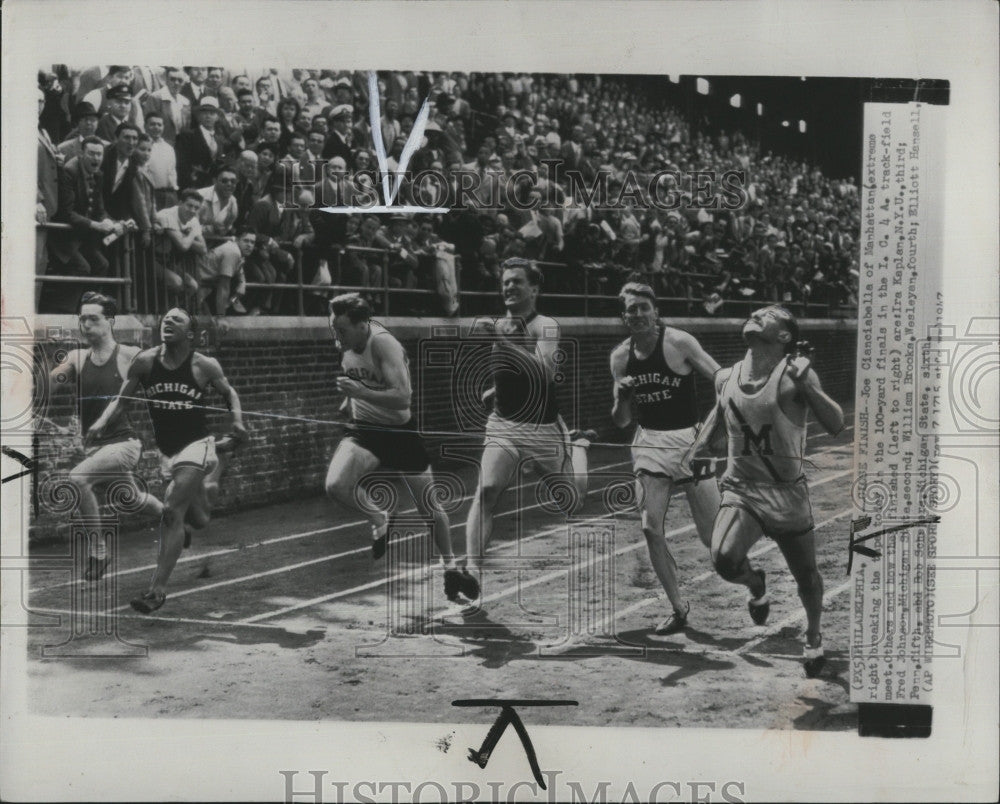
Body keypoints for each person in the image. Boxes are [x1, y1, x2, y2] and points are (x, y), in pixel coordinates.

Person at [684, 305, 844, 677]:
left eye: (766, 314)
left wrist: (807, 385)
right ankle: (756, 583)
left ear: (785, 335)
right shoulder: (726, 377)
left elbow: (836, 423)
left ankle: (814, 635)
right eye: (752, 312)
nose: (754, 314)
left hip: (787, 494)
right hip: (743, 489)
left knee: (807, 577)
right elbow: (720, 416)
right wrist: (699, 450)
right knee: (723, 558)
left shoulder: (793, 377)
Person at [88, 307, 246, 613]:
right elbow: (122, 402)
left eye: (177, 319)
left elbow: (231, 394)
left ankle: (156, 591)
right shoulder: (145, 362)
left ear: (190, 334)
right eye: (165, 318)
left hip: (196, 445)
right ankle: (220, 462)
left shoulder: (204, 365)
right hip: (167, 452)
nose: (168, 321)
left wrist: (237, 421)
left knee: (172, 509)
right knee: (198, 518)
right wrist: (101, 423)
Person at [456, 258, 595, 601]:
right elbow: (507, 369)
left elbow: (545, 373)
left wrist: (501, 343)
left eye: (517, 282)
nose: (509, 288)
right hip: (504, 425)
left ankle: (579, 447)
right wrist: (494, 390)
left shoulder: (545, 325)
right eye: (505, 282)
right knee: (487, 490)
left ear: (534, 289)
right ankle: (471, 570)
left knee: (571, 502)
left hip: (544, 429)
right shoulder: (500, 324)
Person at [324, 294, 457, 593]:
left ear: (362, 325)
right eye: (334, 328)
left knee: (428, 506)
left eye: (342, 330)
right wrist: (349, 399)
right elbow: (360, 376)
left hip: (399, 432)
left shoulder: (384, 344)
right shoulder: (345, 342)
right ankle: (379, 517)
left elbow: (401, 397)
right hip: (365, 430)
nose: (336, 336)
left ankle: (450, 566)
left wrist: (358, 392)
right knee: (336, 486)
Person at [609, 282, 721, 634]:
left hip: (689, 441)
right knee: (649, 526)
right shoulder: (619, 357)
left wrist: (715, 429)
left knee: (714, 540)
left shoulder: (679, 342)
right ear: (623, 316)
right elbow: (621, 420)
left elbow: (721, 380)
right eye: (632, 309)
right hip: (649, 444)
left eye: (644, 307)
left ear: (655, 311)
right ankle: (678, 607)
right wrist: (623, 398)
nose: (639, 314)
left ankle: (752, 579)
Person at [47, 292, 163, 580]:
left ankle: (98, 552)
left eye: (93, 318)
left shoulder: (128, 354)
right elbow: (50, 385)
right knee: (133, 500)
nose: (86, 324)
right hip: (96, 448)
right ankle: (174, 518)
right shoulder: (76, 358)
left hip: (124, 444)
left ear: (109, 321)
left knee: (77, 479)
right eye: (82, 318)